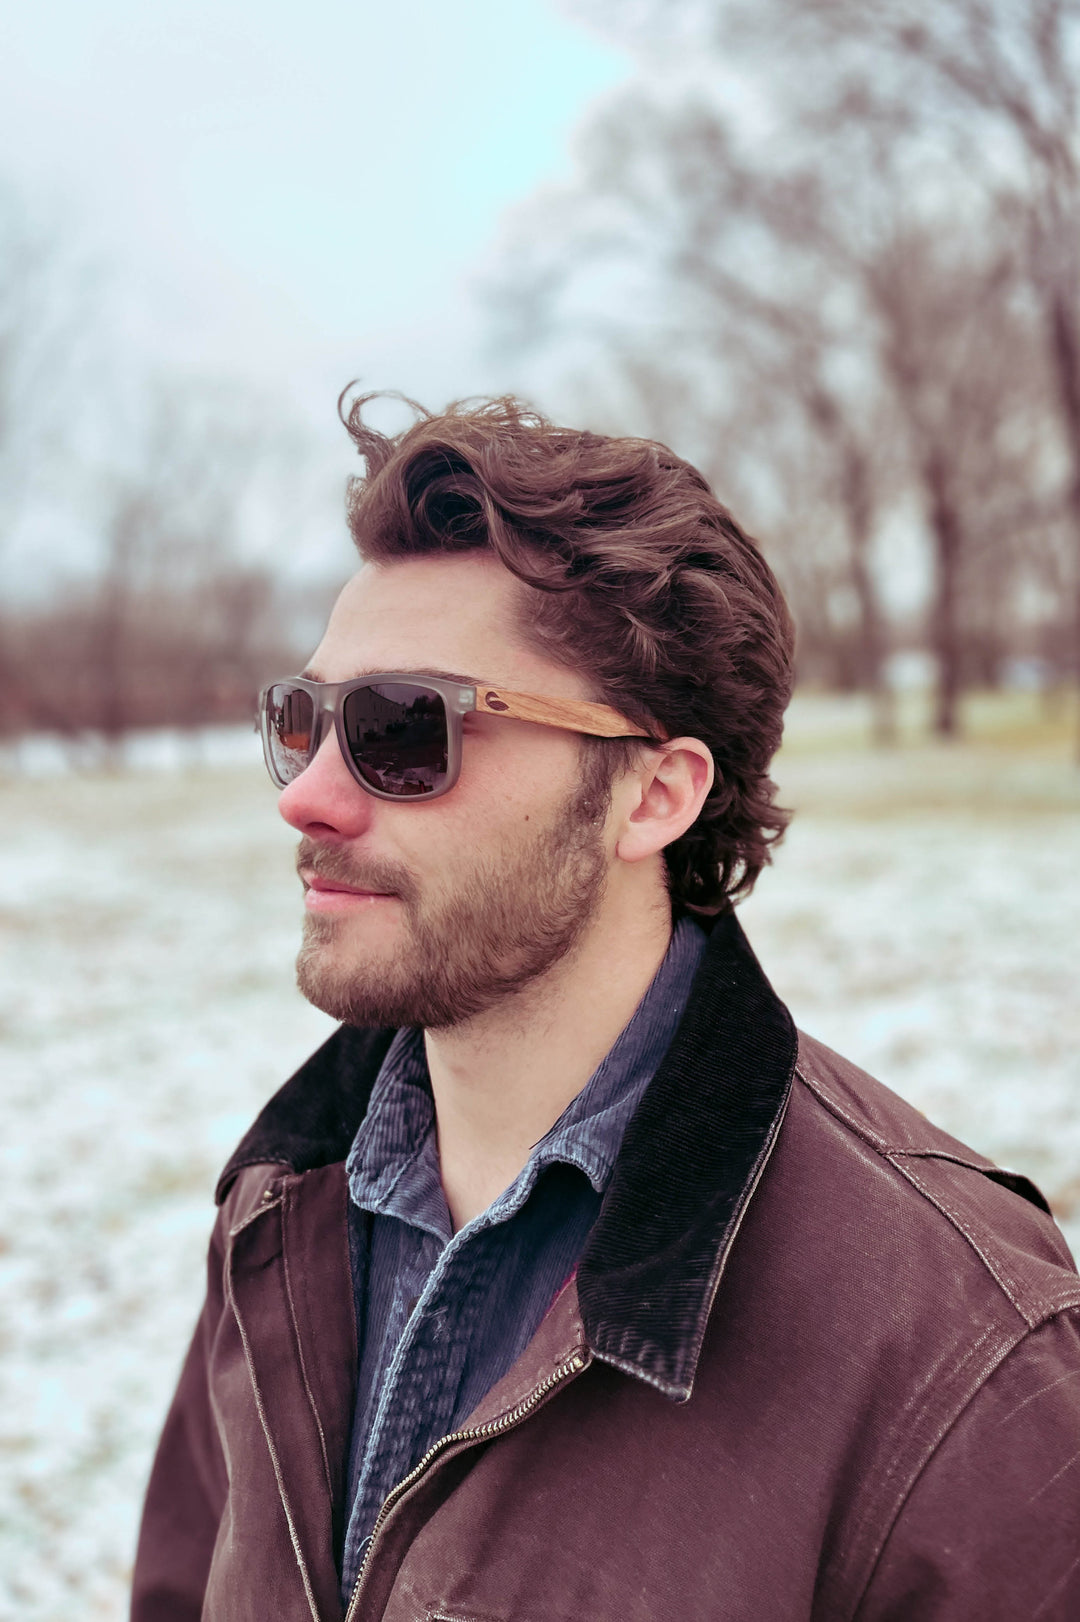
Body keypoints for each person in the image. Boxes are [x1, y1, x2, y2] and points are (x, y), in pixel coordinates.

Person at [131, 396, 1080, 1622]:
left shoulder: (964, 1353)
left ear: (653, 796)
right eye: (303, 722)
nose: (307, 796)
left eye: (404, 728)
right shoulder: (280, 1205)